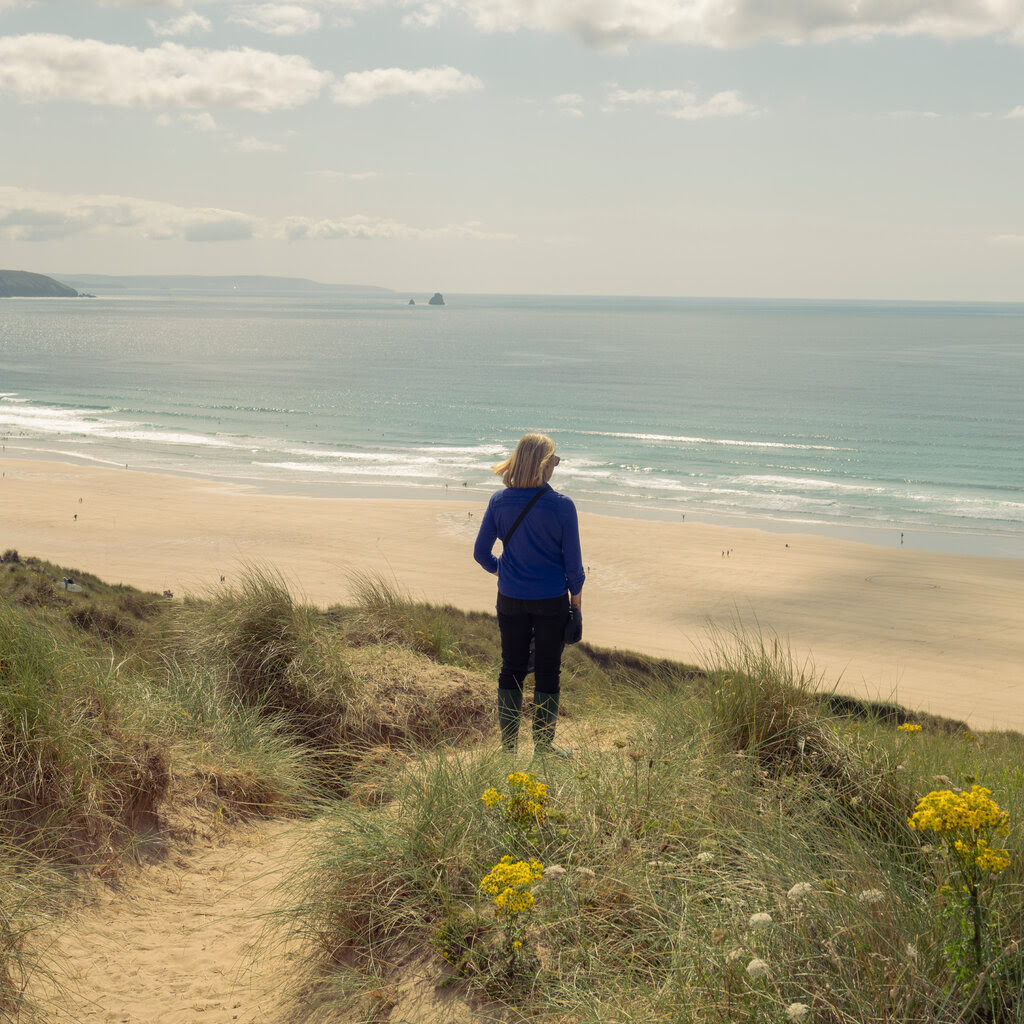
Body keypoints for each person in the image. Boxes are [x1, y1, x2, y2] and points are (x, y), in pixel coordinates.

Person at [473, 433, 584, 756]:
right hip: (550, 601)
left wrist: (503, 571)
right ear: (543, 464)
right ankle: (543, 749)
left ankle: (508, 748)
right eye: (554, 459)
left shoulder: (499, 501)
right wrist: (576, 606)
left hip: (509, 598)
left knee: (512, 667)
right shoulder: (562, 506)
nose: (556, 465)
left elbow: (482, 554)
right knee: (548, 671)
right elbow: (574, 568)